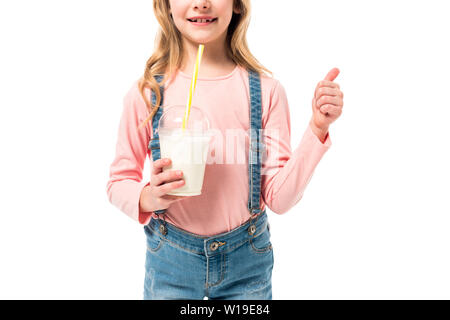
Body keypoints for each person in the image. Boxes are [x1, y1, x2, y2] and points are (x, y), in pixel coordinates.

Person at [106, 0, 344, 300]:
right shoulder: (147, 94)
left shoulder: (267, 92)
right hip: (170, 261)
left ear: (237, 5)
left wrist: (317, 129)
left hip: (247, 261)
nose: (201, 3)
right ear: (166, 5)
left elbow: (280, 200)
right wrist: (147, 197)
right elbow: (118, 182)